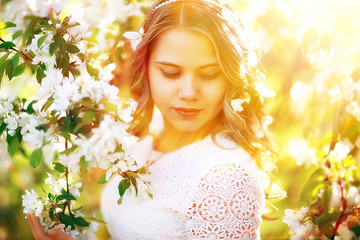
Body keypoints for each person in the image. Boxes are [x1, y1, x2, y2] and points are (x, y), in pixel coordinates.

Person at [28, 0, 273, 239]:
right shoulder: (151, 131)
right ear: (145, 68)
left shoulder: (226, 179)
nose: (188, 93)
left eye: (208, 75)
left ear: (231, 77)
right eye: (170, 73)